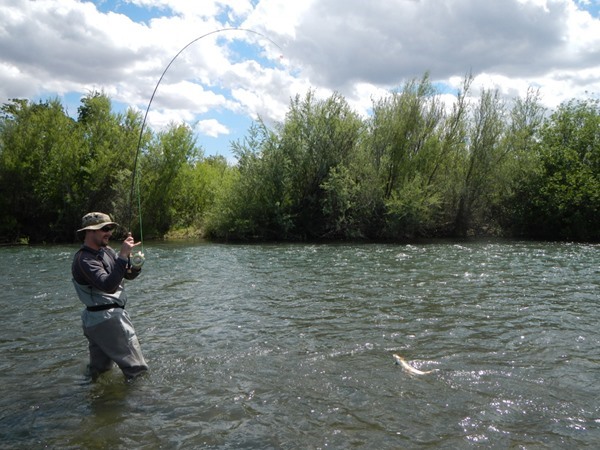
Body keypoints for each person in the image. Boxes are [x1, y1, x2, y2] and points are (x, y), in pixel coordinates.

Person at [72, 211, 148, 380]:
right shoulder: (84, 259)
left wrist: (134, 266)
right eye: (105, 228)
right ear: (90, 231)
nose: (110, 233)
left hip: (96, 321)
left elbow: (125, 274)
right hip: (108, 319)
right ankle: (143, 405)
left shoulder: (106, 251)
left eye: (111, 228)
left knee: (99, 372)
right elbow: (109, 286)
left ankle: (99, 402)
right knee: (137, 370)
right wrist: (122, 255)